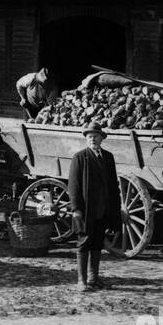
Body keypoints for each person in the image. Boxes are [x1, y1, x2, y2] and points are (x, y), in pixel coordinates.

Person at [66, 121, 121, 292]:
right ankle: (81, 281)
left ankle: (93, 278)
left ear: (101, 139)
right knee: (84, 242)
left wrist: (115, 208)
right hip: (86, 209)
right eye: (90, 137)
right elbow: (73, 186)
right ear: (86, 139)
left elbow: (113, 185)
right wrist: (76, 209)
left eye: (96, 137)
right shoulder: (80, 157)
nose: (93, 139)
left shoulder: (108, 157)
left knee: (97, 243)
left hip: (103, 209)